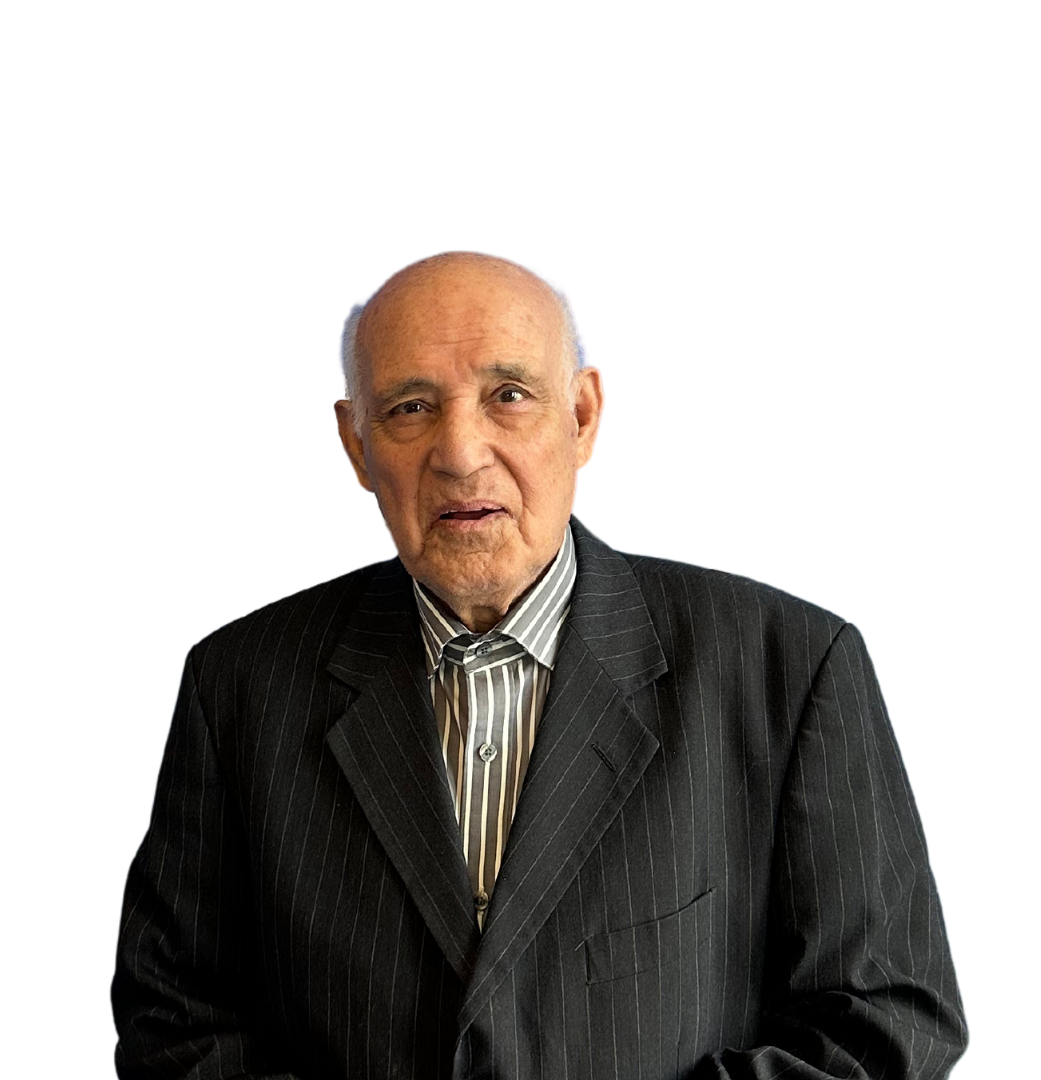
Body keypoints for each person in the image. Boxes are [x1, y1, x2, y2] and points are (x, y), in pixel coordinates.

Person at [111, 250, 968, 1078]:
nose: (459, 452)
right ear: (354, 445)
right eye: (410, 407)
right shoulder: (236, 683)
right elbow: (170, 1021)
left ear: (584, 416)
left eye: (508, 395)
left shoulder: (793, 664)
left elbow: (889, 1025)